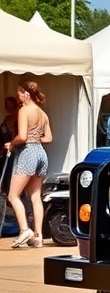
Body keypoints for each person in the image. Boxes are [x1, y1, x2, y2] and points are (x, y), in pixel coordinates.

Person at [4, 80, 52, 248]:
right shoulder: (42, 113)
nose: (18, 97)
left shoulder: (24, 110)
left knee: (13, 195)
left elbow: (22, 136)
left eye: (19, 93)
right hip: (41, 153)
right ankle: (38, 236)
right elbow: (49, 138)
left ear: (26, 94)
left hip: (28, 152)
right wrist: (35, 138)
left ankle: (25, 229)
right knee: (35, 196)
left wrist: (12, 143)